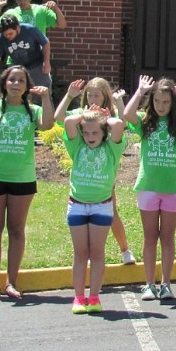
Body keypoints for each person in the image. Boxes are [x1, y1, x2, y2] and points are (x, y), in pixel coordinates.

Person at [0, 65, 53, 299]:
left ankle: (11, 282)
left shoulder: (33, 110)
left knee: (16, 230)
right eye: (11, 80)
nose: (16, 84)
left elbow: (48, 124)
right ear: (4, 84)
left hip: (22, 178)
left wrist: (46, 97)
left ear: (27, 86)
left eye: (21, 80)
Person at [122, 75, 176, 301]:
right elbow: (126, 114)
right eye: (157, 102)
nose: (161, 106)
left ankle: (165, 284)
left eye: (166, 102)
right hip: (148, 187)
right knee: (149, 237)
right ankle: (149, 284)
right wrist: (140, 91)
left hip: (173, 188)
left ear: (172, 104)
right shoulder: (146, 123)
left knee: (167, 237)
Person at [54, 77, 135, 265]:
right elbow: (60, 118)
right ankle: (91, 254)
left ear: (105, 96)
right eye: (89, 95)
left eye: (96, 95)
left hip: (104, 174)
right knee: (87, 219)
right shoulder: (80, 113)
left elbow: (124, 123)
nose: (92, 99)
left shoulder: (110, 113)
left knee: (112, 213)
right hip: (85, 173)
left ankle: (125, 249)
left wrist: (113, 109)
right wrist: (69, 96)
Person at [63, 108, 127, 314]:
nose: (90, 137)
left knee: (97, 252)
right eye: (87, 133)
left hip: (102, 205)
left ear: (103, 133)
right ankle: (79, 297)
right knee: (81, 253)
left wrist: (103, 119)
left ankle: (94, 297)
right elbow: (67, 122)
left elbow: (119, 125)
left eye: (95, 133)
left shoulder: (111, 149)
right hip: (78, 205)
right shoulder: (77, 146)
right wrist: (86, 117)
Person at [0, 15, 52, 91]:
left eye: (10, 33)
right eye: (5, 34)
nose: (8, 36)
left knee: (42, 91)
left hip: (37, 65)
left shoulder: (29, 29)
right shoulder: (0, 39)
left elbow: (45, 43)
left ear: (18, 28)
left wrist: (46, 62)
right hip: (19, 68)